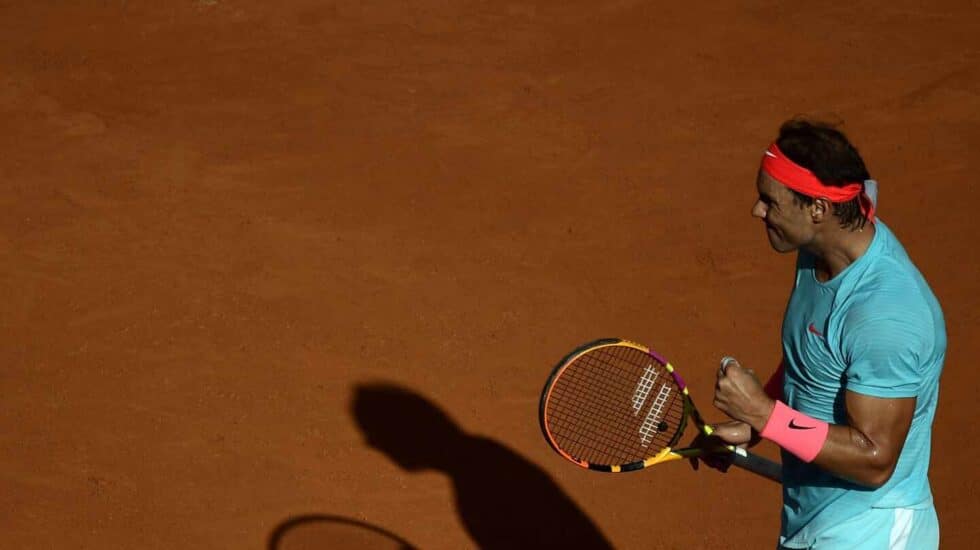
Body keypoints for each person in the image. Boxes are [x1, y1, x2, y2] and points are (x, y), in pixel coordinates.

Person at [707, 119, 946, 549]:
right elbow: (813, 355)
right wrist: (756, 426)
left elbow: (875, 459)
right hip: (815, 519)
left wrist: (767, 415)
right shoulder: (818, 250)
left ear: (818, 209)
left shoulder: (885, 314)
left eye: (770, 202)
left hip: (869, 530)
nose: (757, 211)